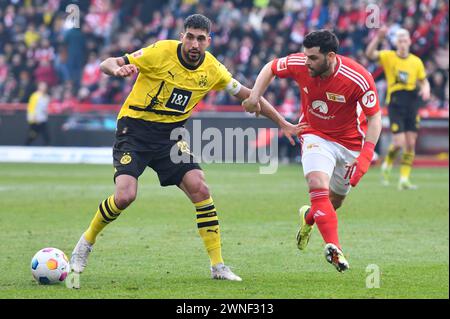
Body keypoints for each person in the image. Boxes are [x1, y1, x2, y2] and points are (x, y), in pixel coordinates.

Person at [69, 14, 303, 284]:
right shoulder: (160, 51)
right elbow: (108, 63)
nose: (194, 43)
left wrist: (283, 123)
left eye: (200, 39)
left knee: (200, 188)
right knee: (125, 196)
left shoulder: (213, 69)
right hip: (134, 130)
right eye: (190, 36)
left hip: (169, 137)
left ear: (208, 41)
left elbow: (250, 95)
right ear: (182, 36)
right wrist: (116, 70)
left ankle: (218, 266)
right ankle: (85, 242)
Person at [243, 30, 382, 272]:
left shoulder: (358, 77)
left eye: (313, 58)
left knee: (334, 201)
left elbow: (375, 117)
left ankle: (309, 218)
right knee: (317, 183)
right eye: (305, 56)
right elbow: (271, 67)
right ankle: (334, 248)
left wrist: (366, 156)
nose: (306, 62)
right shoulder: (300, 63)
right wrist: (255, 97)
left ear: (330, 56)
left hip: (350, 144)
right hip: (314, 133)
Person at [366, 27, 430, 190]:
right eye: (399, 40)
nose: (402, 43)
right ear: (396, 43)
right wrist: (378, 39)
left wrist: (426, 88)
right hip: (396, 101)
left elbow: (423, 80)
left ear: (409, 41)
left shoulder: (416, 61)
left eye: (404, 40)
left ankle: (404, 179)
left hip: (412, 101)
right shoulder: (388, 56)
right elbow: (370, 54)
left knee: (410, 143)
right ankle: (387, 163)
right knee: (399, 143)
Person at [25, 82, 50, 146]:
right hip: (35, 119)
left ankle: (46, 148)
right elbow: (31, 107)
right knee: (33, 135)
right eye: (42, 86)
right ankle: (26, 145)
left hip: (42, 119)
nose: (43, 88)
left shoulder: (47, 97)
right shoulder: (35, 96)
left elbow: (46, 108)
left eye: (44, 86)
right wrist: (32, 117)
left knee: (46, 135)